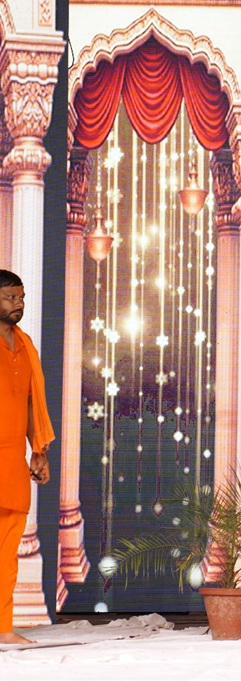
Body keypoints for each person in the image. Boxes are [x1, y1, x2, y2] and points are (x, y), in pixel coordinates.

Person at [0, 271, 54, 645]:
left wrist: (39, 452)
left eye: (21, 297)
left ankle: (3, 628)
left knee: (7, 550)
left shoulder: (25, 344)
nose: (18, 303)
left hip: (12, 462)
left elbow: (33, 401)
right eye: (10, 297)